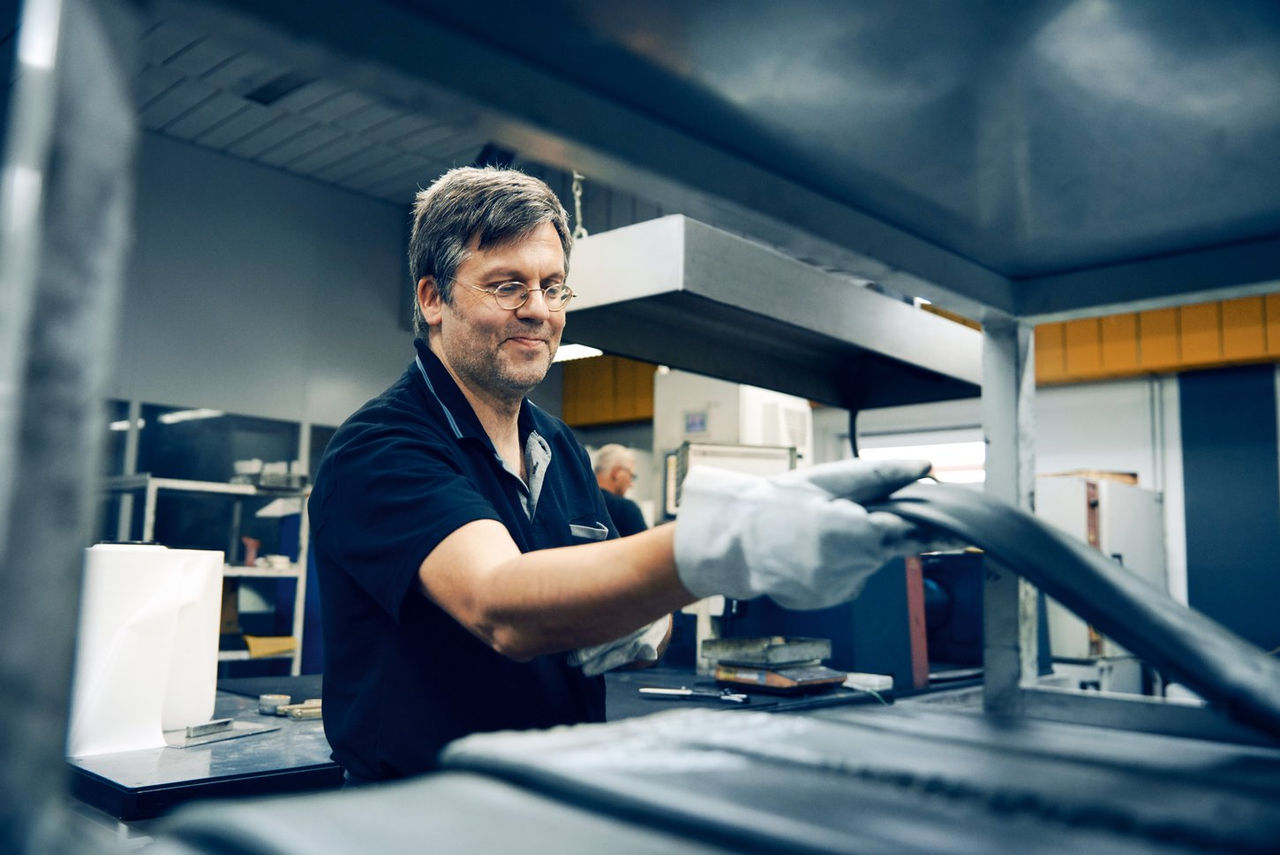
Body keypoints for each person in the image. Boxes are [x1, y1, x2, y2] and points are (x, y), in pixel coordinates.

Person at [309, 165, 959, 784]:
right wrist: (720, 544)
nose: (538, 308)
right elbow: (501, 604)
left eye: (552, 285)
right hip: (424, 816)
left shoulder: (559, 446)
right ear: (432, 298)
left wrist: (643, 621)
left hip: (557, 796)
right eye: (507, 285)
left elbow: (593, 588)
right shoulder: (382, 446)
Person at [593, 443, 648, 537]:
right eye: (631, 476)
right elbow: (647, 548)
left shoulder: (578, 502)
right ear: (617, 473)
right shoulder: (626, 509)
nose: (631, 484)